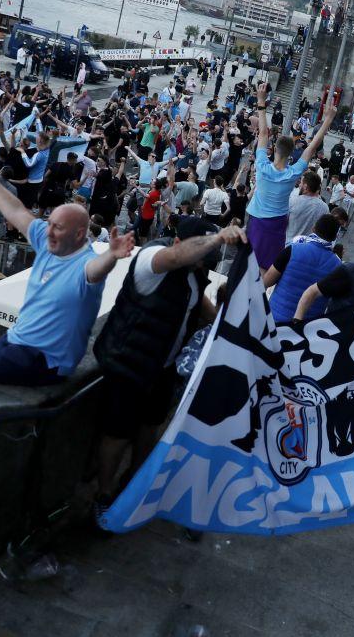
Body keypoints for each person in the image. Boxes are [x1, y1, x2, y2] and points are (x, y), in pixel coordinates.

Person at [0, 147, 134, 386]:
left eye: (58, 227)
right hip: (17, 338)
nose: (49, 231)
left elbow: (97, 270)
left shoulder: (85, 263)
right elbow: (14, 209)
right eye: (49, 223)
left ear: (78, 235)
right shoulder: (47, 238)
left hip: (45, 358)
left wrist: (112, 256)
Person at [93, 217, 245, 507]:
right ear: (178, 242)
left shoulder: (194, 272)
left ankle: (135, 482)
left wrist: (228, 331)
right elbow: (176, 257)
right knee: (117, 432)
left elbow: (198, 304)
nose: (203, 265)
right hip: (129, 363)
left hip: (161, 367)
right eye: (200, 257)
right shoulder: (152, 258)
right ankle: (103, 493)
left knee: (150, 425)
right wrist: (215, 239)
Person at [245, 83, 334, 270]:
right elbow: (312, 146)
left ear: (274, 148)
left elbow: (263, 133)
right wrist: (327, 120)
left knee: (249, 260)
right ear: (292, 152)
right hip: (277, 224)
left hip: (257, 220)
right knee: (267, 265)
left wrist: (261, 101)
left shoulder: (262, 165)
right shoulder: (293, 173)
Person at [263, 214, 342, 324]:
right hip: (306, 331)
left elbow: (266, 281)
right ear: (334, 238)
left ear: (313, 228)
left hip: (274, 320)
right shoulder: (338, 266)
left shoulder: (292, 249)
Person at [285, 171, 328, 242]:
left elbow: (282, 223)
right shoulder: (325, 207)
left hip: (290, 246)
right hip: (310, 248)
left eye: (301, 183)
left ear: (305, 187)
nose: (299, 185)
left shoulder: (292, 202)